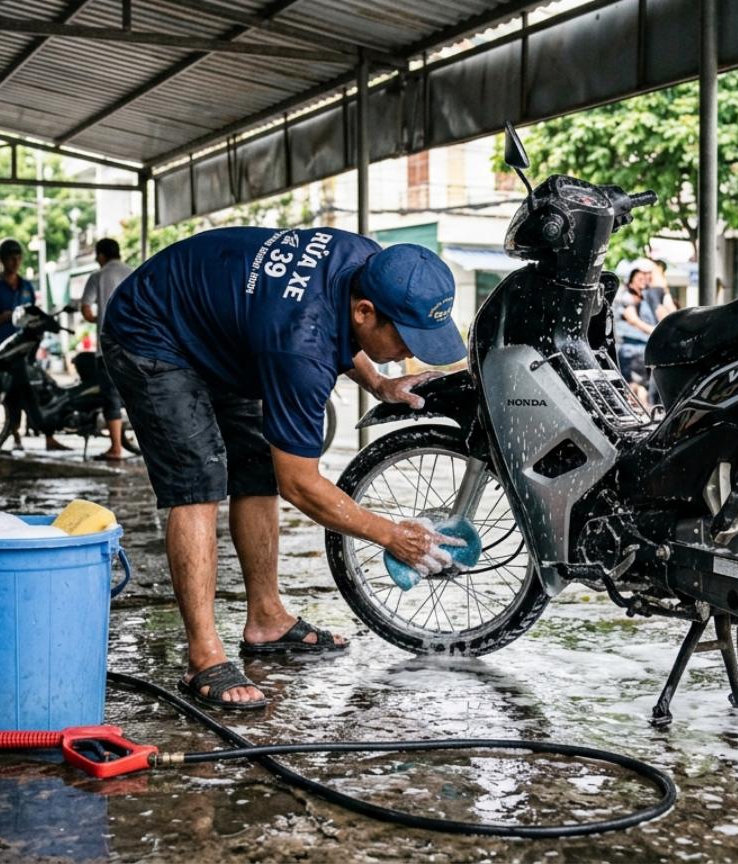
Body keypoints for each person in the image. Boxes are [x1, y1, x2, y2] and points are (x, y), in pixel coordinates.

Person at [101, 227, 468, 710]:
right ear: (365, 311)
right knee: (199, 482)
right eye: (407, 339)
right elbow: (302, 484)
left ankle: (267, 618)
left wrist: (379, 382)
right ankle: (203, 656)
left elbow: (336, 329)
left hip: (230, 332)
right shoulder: (300, 348)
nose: (412, 353)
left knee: (258, 470)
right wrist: (390, 535)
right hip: (152, 330)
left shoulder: (370, 264)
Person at [0, 238, 66, 451]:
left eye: (18, 258)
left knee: (32, 388)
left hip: (27, 346)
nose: (15, 262)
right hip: (4, 348)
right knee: (15, 392)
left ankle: (30, 434)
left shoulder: (26, 286)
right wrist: (7, 317)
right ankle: (35, 435)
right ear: (1, 260)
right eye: (10, 258)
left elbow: (34, 313)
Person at [80, 238, 134, 461]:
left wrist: (98, 318)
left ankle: (116, 449)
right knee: (134, 397)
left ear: (101, 256)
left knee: (110, 398)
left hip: (109, 346)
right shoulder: (133, 272)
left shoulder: (98, 276)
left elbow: (86, 309)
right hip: (134, 346)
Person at [612, 267, 655, 405]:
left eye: (645, 279)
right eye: (639, 279)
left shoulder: (642, 299)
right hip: (631, 351)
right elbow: (633, 320)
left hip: (637, 351)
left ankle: (644, 413)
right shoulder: (627, 297)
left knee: (637, 387)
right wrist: (655, 331)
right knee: (635, 386)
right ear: (630, 282)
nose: (644, 282)